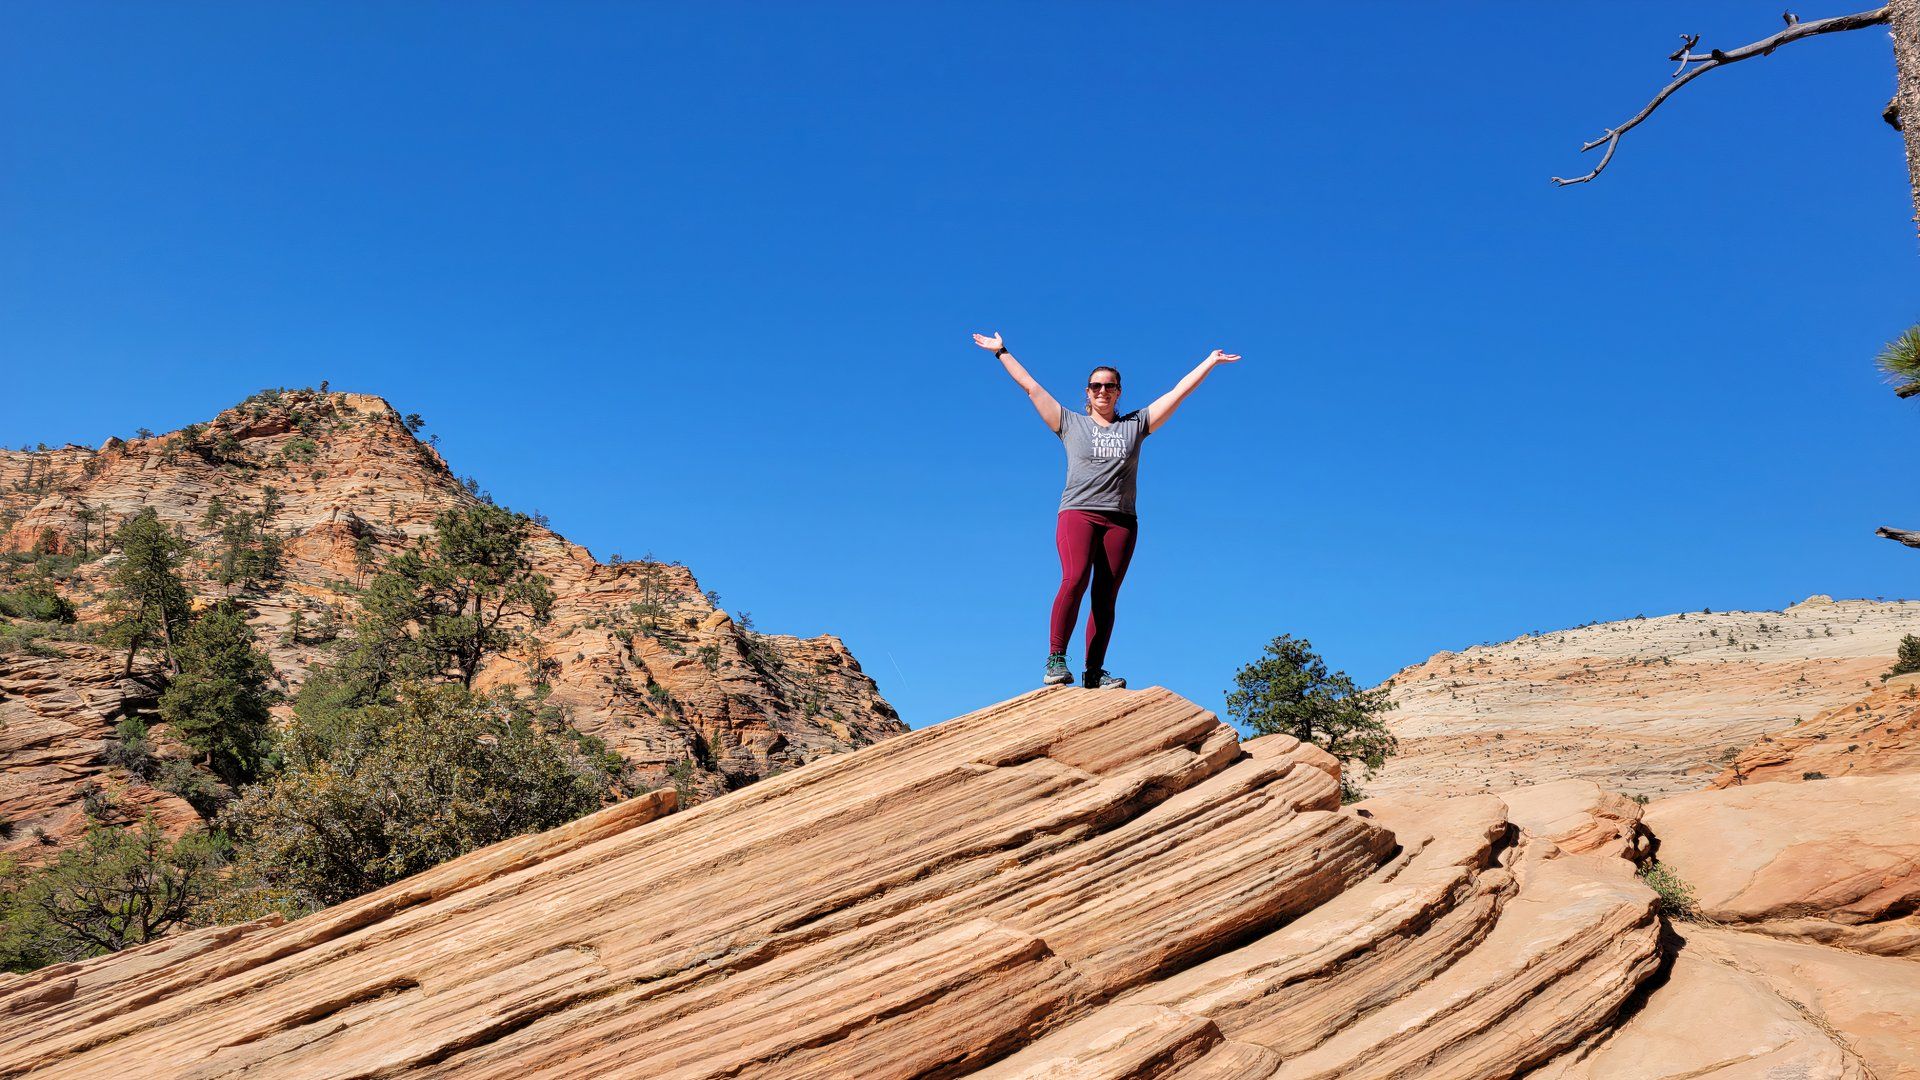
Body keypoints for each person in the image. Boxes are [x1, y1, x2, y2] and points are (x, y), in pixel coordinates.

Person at [972, 331, 1240, 689]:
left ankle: (1094, 671)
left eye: (1109, 386)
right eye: (1096, 386)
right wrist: (1001, 351)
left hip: (1121, 520)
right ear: (1087, 392)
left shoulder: (1135, 425)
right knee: (1075, 579)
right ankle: (1056, 659)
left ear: (1118, 392)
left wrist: (1209, 361)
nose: (1102, 391)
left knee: (1105, 596)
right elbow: (1032, 388)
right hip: (1078, 513)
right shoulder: (1070, 423)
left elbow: (1177, 393)